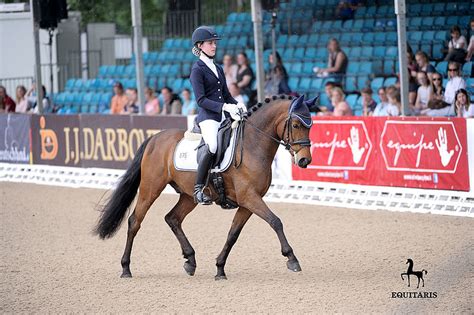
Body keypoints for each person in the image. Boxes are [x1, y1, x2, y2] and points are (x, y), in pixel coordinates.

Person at [189, 26, 246, 204]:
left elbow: (227, 95)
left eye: (214, 43)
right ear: (200, 45)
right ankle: (199, 188)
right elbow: (201, 100)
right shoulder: (197, 69)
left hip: (224, 114)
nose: (214, 46)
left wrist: (238, 104)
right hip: (208, 118)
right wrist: (224, 108)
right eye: (210, 43)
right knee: (212, 146)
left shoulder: (218, 68)